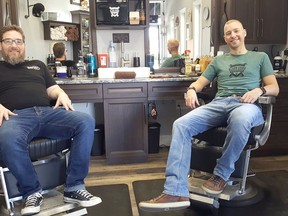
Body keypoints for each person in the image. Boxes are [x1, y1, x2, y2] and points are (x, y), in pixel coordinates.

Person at [139, 19, 279, 212]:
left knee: (240, 119)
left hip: (246, 104)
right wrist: (191, 90)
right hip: (220, 103)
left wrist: (259, 91)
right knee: (181, 124)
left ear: (244, 32)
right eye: (228, 33)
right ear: (225, 38)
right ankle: (175, 191)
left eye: (236, 31)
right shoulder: (219, 61)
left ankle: (221, 175)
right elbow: (199, 82)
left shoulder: (260, 57)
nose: (233, 36)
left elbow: (274, 87)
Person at [0, 25, 101, 215]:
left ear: (24, 45)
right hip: (16, 117)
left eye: (18, 41)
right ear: (1, 45)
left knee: (85, 121)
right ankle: (31, 192)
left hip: (47, 113)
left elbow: (52, 89)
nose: (14, 45)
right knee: (7, 137)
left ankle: (74, 187)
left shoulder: (38, 65)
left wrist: (61, 94)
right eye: (8, 41)